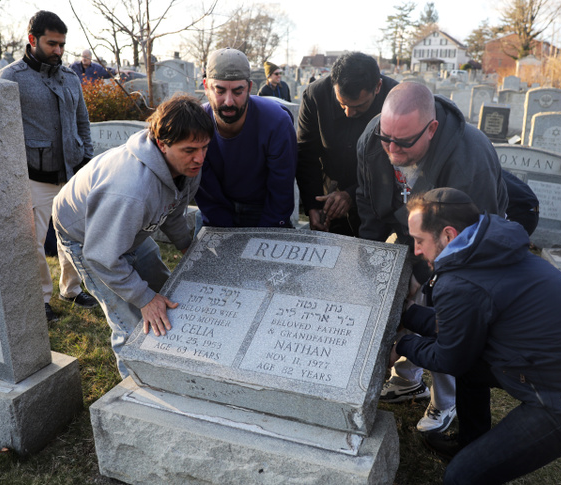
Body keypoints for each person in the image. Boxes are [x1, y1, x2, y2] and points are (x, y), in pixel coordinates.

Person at [391, 188, 561, 484]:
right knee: (472, 368)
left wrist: (401, 343)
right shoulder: (489, 248)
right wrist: (407, 314)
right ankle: (470, 441)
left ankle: (474, 460)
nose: (416, 250)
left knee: (462, 476)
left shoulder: (460, 282)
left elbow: (449, 357)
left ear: (448, 236)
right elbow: (460, 329)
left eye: (419, 241)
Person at [356, 81, 508, 433]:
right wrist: (371, 258)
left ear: (432, 129)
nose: (391, 149)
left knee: (444, 307)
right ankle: (407, 378)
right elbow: (367, 199)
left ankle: (445, 401)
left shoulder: (470, 161)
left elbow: (464, 245)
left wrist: (421, 276)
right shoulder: (374, 137)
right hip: (415, 228)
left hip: (467, 240)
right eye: (386, 138)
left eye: (404, 142)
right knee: (393, 295)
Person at [52, 95, 213, 378]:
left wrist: (186, 245)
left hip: (128, 231)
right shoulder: (130, 192)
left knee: (166, 295)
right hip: (86, 236)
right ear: (162, 144)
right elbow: (102, 256)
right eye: (190, 150)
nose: (200, 158)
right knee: (134, 323)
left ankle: (168, 365)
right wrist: (143, 299)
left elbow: (173, 209)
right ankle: (138, 395)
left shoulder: (187, 166)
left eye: (204, 147)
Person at [0, 10, 97, 324]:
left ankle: (71, 287)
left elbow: (83, 121)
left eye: (62, 45)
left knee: (73, 233)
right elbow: (3, 130)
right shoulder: (11, 78)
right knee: (35, 241)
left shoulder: (70, 77)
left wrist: (87, 159)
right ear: (32, 40)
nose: (58, 50)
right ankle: (41, 298)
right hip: (34, 176)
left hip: (73, 173)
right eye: (52, 43)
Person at [296, 51, 398, 236]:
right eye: (342, 105)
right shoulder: (316, 95)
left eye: (359, 106)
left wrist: (352, 194)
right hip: (331, 187)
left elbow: (397, 163)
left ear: (378, 87)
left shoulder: (396, 99)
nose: (348, 114)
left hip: (379, 192)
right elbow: (306, 154)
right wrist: (313, 205)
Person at [197, 48, 296, 228]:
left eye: (237, 91)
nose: (228, 101)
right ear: (206, 87)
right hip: (217, 209)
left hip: (262, 208)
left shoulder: (276, 122)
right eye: (219, 91)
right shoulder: (197, 123)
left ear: (250, 88)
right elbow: (207, 192)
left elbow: (280, 191)